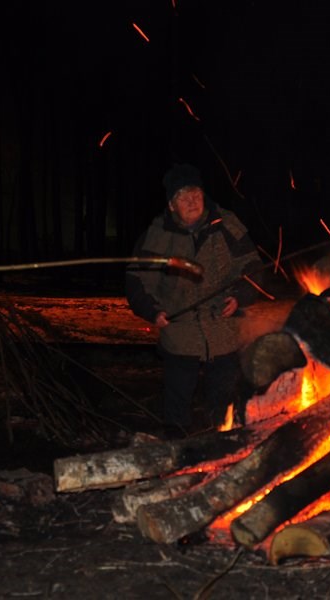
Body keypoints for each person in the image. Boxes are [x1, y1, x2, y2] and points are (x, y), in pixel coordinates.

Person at [125, 163, 263, 438]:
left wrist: (240, 297)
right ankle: (176, 454)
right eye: (183, 197)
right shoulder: (157, 236)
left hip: (223, 327)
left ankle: (224, 446)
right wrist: (153, 311)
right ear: (171, 204)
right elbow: (137, 282)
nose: (192, 201)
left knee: (224, 405)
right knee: (177, 406)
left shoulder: (226, 226)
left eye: (196, 194)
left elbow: (253, 269)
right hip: (180, 331)